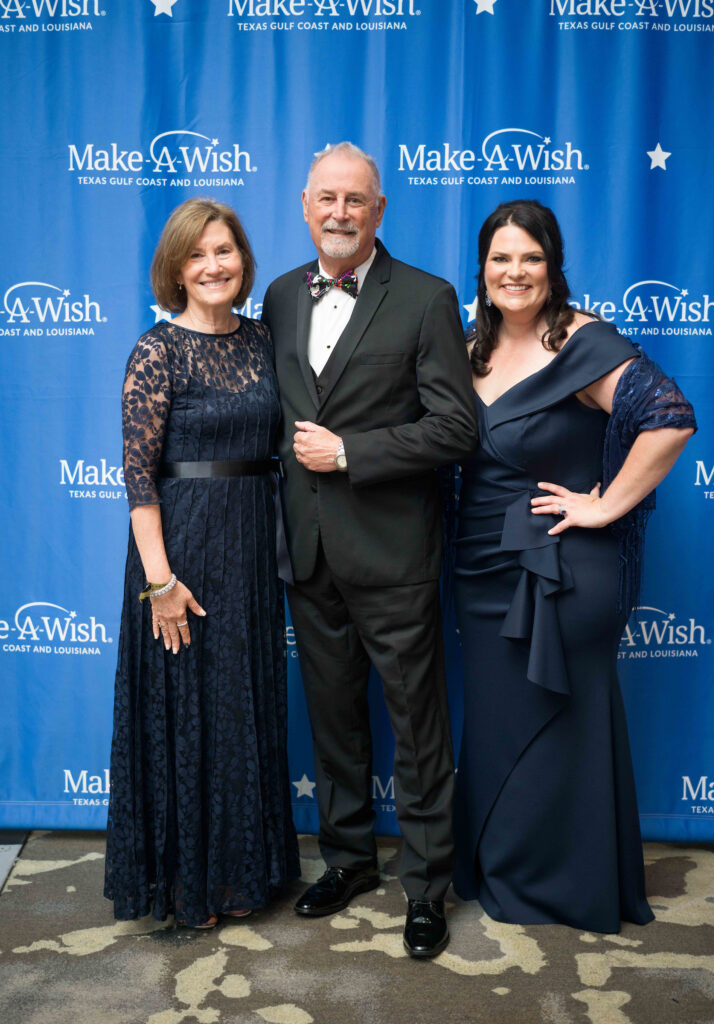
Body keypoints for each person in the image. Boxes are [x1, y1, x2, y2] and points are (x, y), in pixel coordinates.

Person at [453, 200, 696, 933]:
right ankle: (505, 868)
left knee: (566, 719)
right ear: (483, 269)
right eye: (501, 258)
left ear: (553, 266)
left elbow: (670, 416)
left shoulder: (583, 341)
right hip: (480, 567)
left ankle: (571, 884)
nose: (515, 272)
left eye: (530, 257)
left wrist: (607, 506)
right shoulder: (468, 348)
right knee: (499, 721)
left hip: (563, 569)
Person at [260, 142, 477, 957]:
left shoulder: (426, 298)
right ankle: (347, 859)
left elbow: (457, 427)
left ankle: (427, 887)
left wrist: (351, 452)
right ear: (306, 206)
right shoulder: (280, 295)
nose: (340, 213)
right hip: (307, 553)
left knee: (418, 729)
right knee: (333, 722)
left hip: (394, 557)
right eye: (327, 199)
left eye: (356, 200)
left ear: (379, 210)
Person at [104, 198, 300, 928]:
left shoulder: (260, 341)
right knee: (186, 711)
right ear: (175, 269)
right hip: (180, 551)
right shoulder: (156, 351)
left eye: (224, 251)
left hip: (252, 545)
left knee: (242, 706)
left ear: (243, 259)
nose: (213, 265)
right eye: (197, 255)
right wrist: (159, 581)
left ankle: (243, 870)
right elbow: (139, 475)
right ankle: (188, 882)